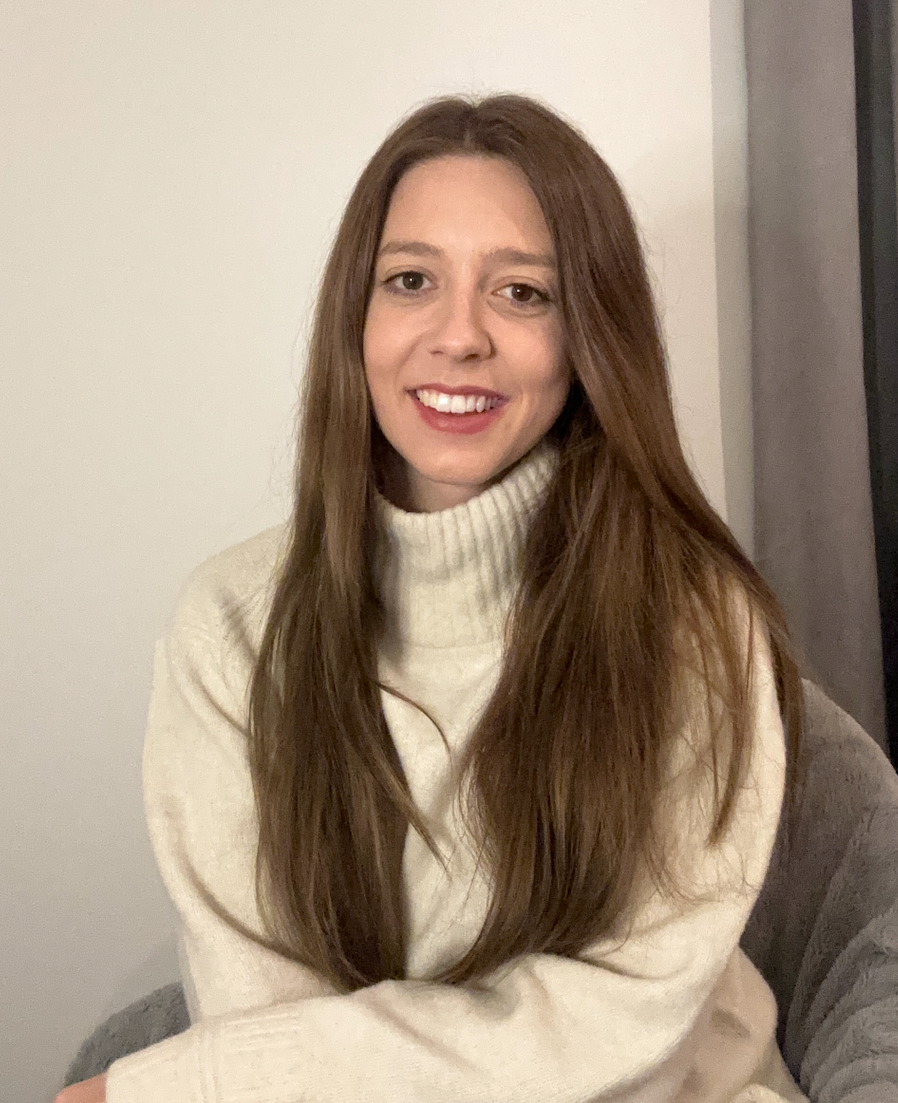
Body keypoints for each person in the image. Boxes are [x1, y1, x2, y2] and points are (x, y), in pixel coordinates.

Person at [60, 93, 811, 1103]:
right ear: (357, 318)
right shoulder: (230, 626)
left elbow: (622, 1031)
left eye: (522, 292)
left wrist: (187, 1084)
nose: (459, 336)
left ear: (588, 335)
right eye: (411, 280)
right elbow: (259, 1009)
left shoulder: (694, 622)